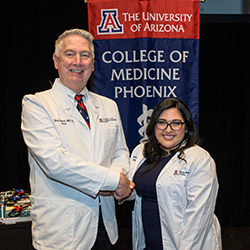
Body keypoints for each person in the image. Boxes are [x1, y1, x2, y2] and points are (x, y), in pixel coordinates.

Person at [21, 28, 134, 250]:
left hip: (106, 227)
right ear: (56, 60)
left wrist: (117, 179)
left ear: (93, 63)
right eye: (70, 54)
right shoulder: (36, 105)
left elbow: (120, 152)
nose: (78, 62)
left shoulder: (108, 105)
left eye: (85, 55)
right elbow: (55, 162)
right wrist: (113, 181)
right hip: (62, 231)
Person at [127, 98, 222, 250]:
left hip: (184, 245)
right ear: (154, 125)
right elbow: (133, 191)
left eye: (176, 123)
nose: (168, 129)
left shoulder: (199, 159)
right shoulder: (141, 151)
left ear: (186, 127)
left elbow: (199, 217)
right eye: (162, 122)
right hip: (147, 243)